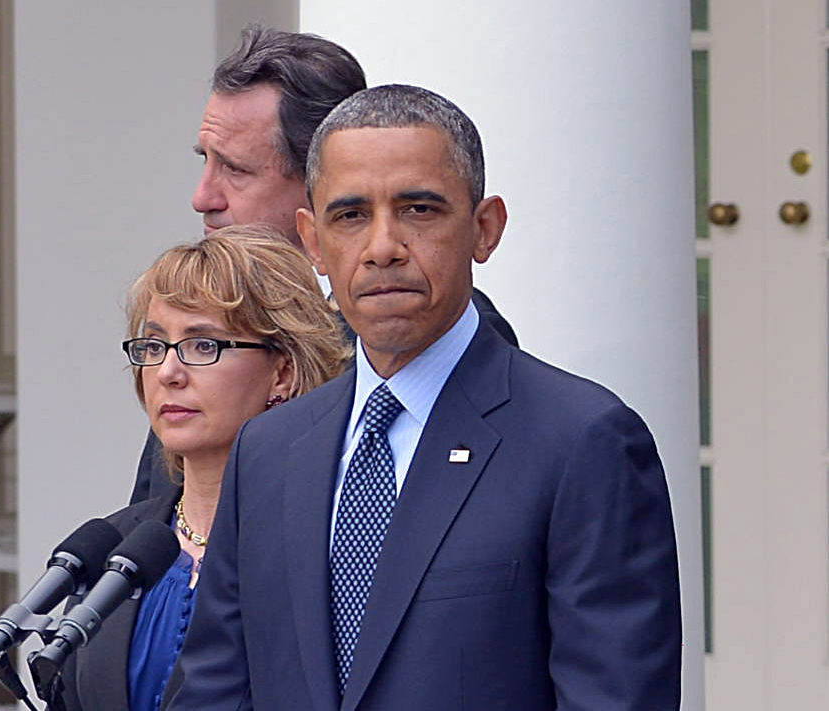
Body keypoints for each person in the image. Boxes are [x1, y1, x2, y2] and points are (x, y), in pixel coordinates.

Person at [166, 85, 681, 710]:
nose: (383, 246)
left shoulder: (582, 442)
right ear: (313, 242)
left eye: (418, 210)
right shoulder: (268, 450)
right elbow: (215, 693)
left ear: (484, 229)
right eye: (350, 215)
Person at [130, 26, 518, 506]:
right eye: (205, 162)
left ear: (321, 178)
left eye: (235, 169)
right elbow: (157, 524)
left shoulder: (431, 326)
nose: (202, 198)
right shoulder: (188, 338)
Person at [59, 225, 350, 710]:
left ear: (283, 371)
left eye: (202, 345)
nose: (168, 372)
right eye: (154, 346)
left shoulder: (327, 552)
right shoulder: (115, 543)